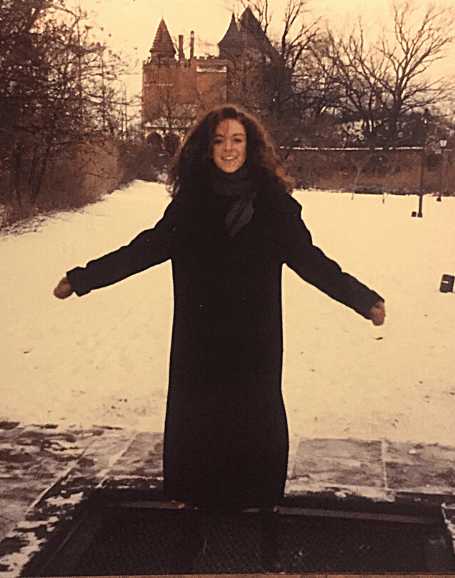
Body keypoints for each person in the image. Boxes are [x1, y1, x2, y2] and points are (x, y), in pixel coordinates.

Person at [54, 104, 386, 511]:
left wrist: (363, 299)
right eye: (219, 140)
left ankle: (256, 503)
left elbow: (311, 261)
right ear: (206, 148)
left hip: (255, 338)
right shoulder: (191, 203)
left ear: (251, 146)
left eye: (237, 140)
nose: (228, 149)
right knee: (197, 420)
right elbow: (144, 249)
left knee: (255, 419)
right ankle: (191, 500)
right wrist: (83, 278)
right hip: (200, 339)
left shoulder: (275, 207)